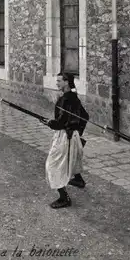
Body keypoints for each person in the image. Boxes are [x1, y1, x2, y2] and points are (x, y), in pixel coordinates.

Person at [40, 73, 88, 208]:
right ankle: (78, 180)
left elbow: (61, 123)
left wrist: (50, 123)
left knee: (53, 164)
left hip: (65, 136)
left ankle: (64, 198)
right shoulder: (73, 97)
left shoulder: (66, 99)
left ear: (67, 82)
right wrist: (78, 133)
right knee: (71, 157)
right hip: (71, 135)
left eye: (59, 81)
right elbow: (85, 116)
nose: (57, 83)